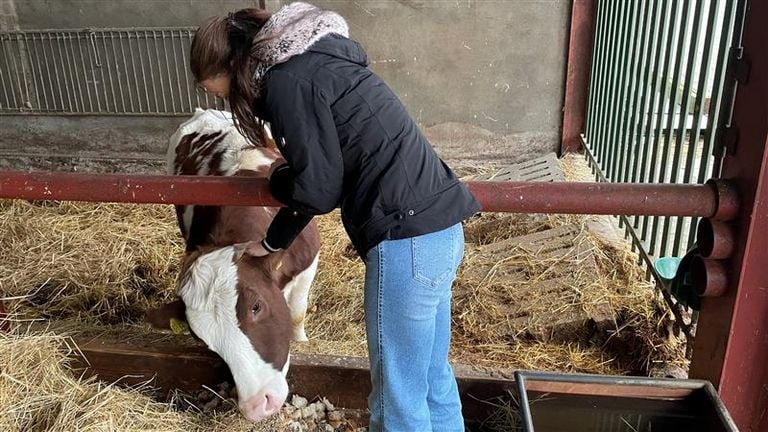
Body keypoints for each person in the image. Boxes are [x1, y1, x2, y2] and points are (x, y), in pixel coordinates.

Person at [190, 3, 480, 431]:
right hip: (440, 230)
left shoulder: (287, 83)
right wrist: (273, 241)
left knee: (398, 397)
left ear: (233, 66)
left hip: (405, 239)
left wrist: (279, 178)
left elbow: (317, 187)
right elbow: (328, 169)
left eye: (217, 91)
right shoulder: (318, 64)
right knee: (430, 376)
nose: (222, 100)